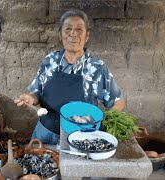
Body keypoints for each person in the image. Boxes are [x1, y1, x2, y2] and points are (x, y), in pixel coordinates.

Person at [14, 9, 125, 144]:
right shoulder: (50, 61)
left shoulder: (97, 68)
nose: (73, 33)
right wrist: (31, 98)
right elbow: (37, 93)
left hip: (80, 138)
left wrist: (102, 121)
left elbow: (118, 101)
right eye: (68, 29)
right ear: (61, 35)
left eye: (79, 29)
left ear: (87, 36)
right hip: (45, 132)